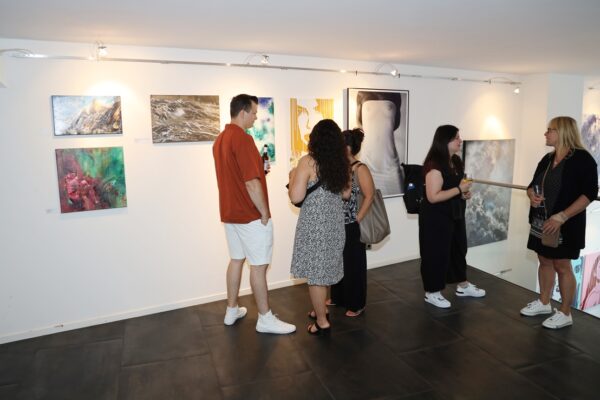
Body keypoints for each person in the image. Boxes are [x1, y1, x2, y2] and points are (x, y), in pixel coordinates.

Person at [213, 94, 295, 334]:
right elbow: (250, 183)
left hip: (230, 213)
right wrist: (265, 212)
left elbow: (238, 175)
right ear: (242, 113)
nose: (256, 117)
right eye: (254, 113)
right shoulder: (243, 139)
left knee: (236, 260)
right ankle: (265, 318)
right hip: (249, 215)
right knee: (258, 267)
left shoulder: (220, 140)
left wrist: (259, 169)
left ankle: (231, 310)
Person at [521, 116, 598, 329]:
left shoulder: (583, 159)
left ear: (562, 132)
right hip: (541, 221)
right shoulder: (547, 158)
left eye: (550, 130)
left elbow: (589, 193)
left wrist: (562, 216)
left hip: (566, 223)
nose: (546, 134)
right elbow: (531, 186)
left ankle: (565, 312)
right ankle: (544, 302)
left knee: (562, 265)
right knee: (544, 259)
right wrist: (531, 195)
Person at [288, 119, 350, 334]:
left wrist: (292, 177)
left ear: (314, 139)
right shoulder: (341, 163)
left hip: (314, 226)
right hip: (335, 225)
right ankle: (319, 308)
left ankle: (322, 321)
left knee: (316, 276)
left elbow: (296, 197)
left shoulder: (308, 162)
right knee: (325, 270)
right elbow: (346, 194)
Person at [419, 125, 486, 308]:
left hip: (455, 213)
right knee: (436, 253)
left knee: (458, 249)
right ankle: (432, 292)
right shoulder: (434, 165)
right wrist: (459, 189)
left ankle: (462, 285)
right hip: (436, 217)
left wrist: (463, 194)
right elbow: (433, 197)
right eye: (456, 137)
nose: (460, 140)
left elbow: (454, 188)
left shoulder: (455, 161)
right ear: (445, 141)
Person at [330, 128, 375, 317]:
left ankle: (357, 304)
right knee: (337, 261)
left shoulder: (360, 168)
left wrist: (358, 217)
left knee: (354, 264)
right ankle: (338, 297)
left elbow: (370, 195)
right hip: (336, 222)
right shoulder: (338, 167)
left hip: (352, 224)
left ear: (347, 147)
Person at [355, 91, 404, 196]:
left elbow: (396, 123)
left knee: (397, 200)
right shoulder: (362, 94)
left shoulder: (394, 95)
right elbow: (359, 122)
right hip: (366, 167)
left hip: (391, 169)